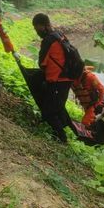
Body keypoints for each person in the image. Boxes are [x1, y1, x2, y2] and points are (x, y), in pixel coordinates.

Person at [32, 13, 78, 143]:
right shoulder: (60, 35)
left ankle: (62, 138)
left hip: (58, 81)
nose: (37, 32)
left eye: (37, 28)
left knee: (48, 112)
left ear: (44, 26)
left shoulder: (48, 40)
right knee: (57, 107)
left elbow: (41, 63)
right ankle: (63, 130)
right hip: (67, 78)